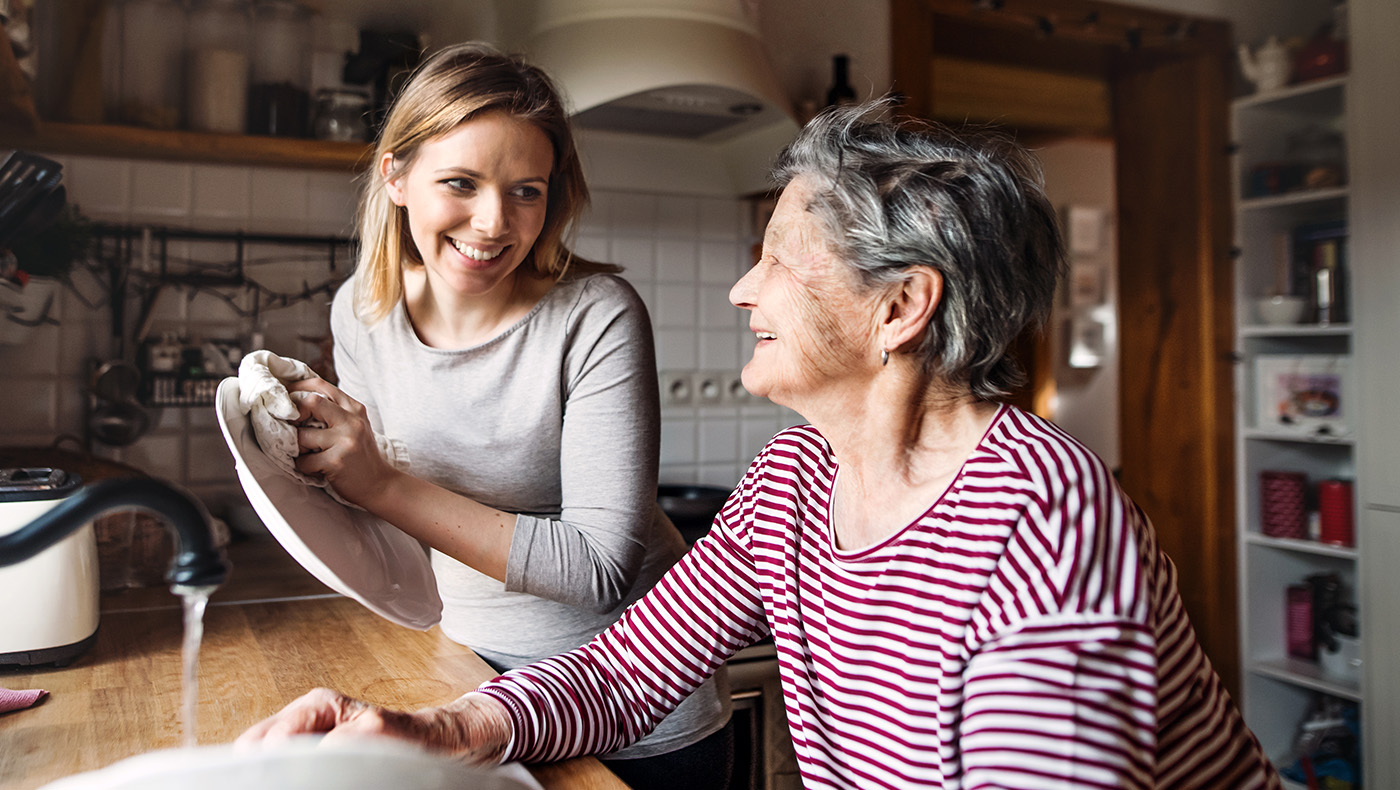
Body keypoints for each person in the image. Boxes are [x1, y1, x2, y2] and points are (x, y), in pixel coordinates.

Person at [241, 100, 1282, 790]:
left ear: (898, 308)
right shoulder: (796, 475)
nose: (742, 289)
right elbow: (623, 671)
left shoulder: (1040, 523)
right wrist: (438, 730)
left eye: (776, 259)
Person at [267, 42, 732, 789]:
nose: (493, 222)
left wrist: (377, 483)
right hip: (470, 680)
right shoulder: (362, 311)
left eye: (527, 191)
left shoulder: (596, 317)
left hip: (634, 719)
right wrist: (309, 466)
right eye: (461, 182)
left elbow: (599, 569)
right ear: (396, 177)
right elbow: (394, 528)